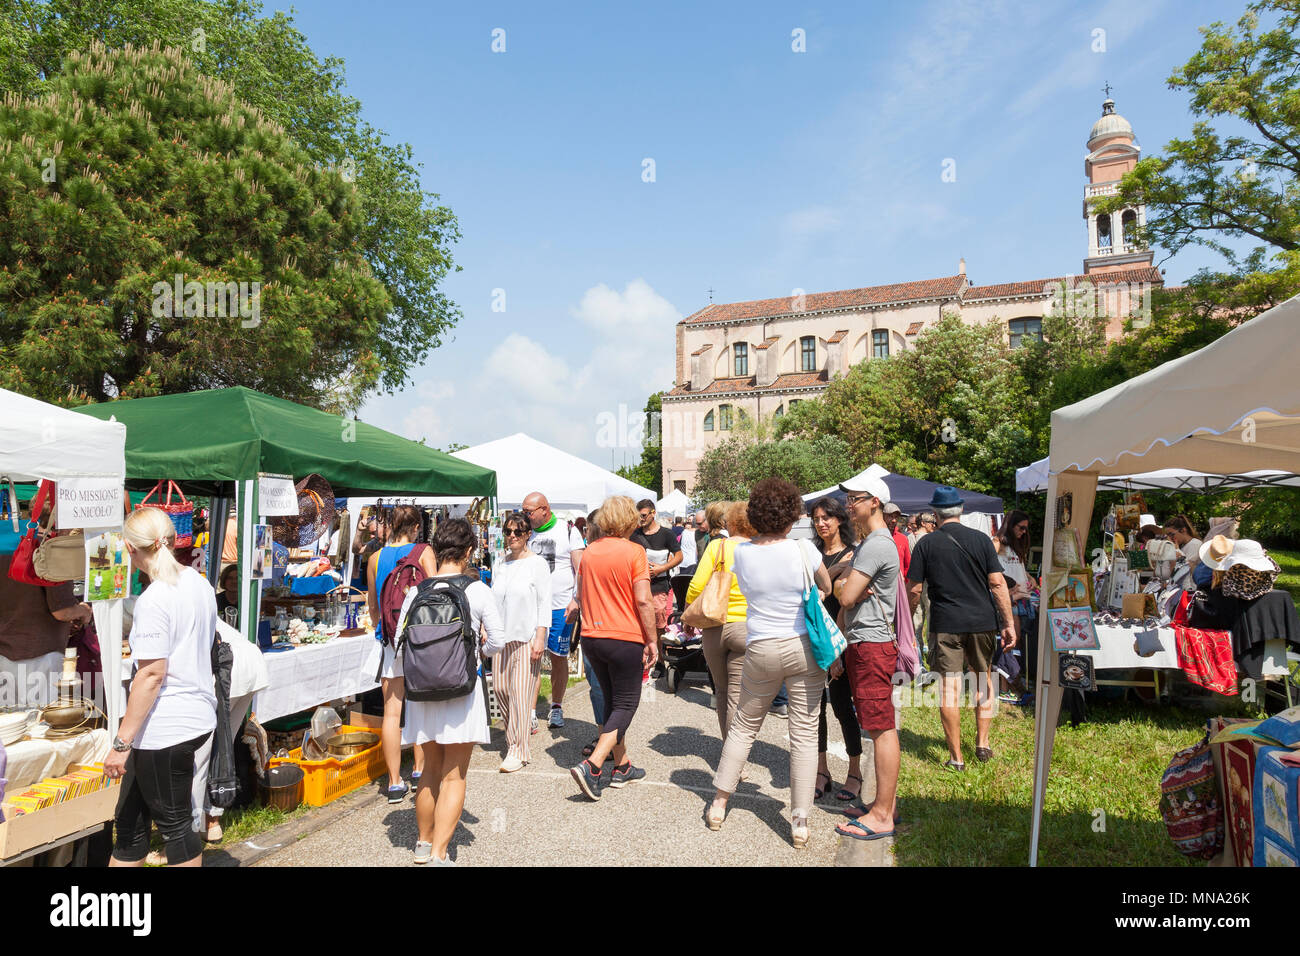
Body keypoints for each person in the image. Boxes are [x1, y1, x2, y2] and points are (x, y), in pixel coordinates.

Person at [706, 479, 831, 849]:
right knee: (805, 732)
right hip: (801, 645)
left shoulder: (742, 553)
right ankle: (800, 820)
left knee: (744, 725)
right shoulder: (804, 549)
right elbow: (825, 585)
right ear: (792, 514)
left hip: (760, 644)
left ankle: (718, 803)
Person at [106, 507, 217, 867]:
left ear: (129, 547)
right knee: (129, 825)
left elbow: (151, 675)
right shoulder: (198, 582)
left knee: (175, 826)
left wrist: (121, 743)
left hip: (167, 727)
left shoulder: (156, 598)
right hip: (187, 718)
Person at [406, 519, 506, 864]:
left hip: (421, 693)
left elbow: (398, 641)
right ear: (468, 552)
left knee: (429, 770)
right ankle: (440, 852)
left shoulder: (415, 592)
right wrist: (478, 650)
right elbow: (498, 641)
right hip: (462, 689)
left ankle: (422, 843)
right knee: (454, 774)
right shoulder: (477, 590)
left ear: (435, 549)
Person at [906, 486, 1015, 771]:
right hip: (981, 622)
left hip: (945, 625)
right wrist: (1009, 623)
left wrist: (904, 618)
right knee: (983, 681)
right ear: (961, 509)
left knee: (949, 691)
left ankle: (956, 758)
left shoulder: (925, 545)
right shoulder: (982, 541)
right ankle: (983, 743)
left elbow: (915, 589)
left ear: (935, 513)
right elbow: (997, 583)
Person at [568, 496, 658, 800]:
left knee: (611, 702)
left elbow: (581, 594)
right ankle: (593, 766)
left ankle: (622, 766)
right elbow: (643, 600)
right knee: (626, 704)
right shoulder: (635, 551)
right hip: (624, 636)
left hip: (593, 637)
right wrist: (652, 638)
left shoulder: (589, 553)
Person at [833, 472, 901, 841]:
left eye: (854, 499)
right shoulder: (870, 543)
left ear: (874, 501)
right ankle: (883, 804)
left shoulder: (875, 545)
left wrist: (846, 583)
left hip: (872, 645)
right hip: (865, 643)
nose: (849, 505)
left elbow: (842, 594)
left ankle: (882, 814)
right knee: (877, 726)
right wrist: (848, 583)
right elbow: (846, 590)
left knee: (880, 728)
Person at [367, 504, 436, 802]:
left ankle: (394, 781)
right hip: (417, 639)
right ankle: (420, 768)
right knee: (419, 705)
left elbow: (372, 606)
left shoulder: (374, 558)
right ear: (417, 526)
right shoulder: (423, 551)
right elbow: (435, 592)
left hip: (389, 640)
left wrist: (382, 628)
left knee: (391, 711)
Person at [806, 496, 862, 803]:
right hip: (814, 638)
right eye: (816, 519)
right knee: (816, 712)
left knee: (842, 708)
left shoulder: (853, 555)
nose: (821, 523)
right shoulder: (811, 554)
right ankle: (821, 771)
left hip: (839, 639)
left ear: (840, 519)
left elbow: (846, 604)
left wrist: (837, 652)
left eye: (827, 517)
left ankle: (855, 772)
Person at [490, 511, 550, 772]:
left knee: (520, 695)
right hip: (501, 637)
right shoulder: (501, 564)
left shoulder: (537, 564)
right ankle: (513, 738)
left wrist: (540, 636)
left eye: (517, 532)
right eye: (508, 531)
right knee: (502, 690)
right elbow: (494, 601)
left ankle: (518, 749)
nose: (512, 536)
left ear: (528, 535)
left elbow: (544, 602)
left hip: (526, 636)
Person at [686, 501, 751, 740]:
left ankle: (728, 747)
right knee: (738, 694)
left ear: (730, 522)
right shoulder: (759, 549)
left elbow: (695, 585)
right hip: (746, 625)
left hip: (714, 625)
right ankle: (735, 758)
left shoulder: (718, 548)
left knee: (722, 692)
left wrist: (689, 612)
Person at [521, 491, 585, 729]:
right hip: (532, 607)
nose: (525, 515)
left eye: (529, 511)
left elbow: (580, 569)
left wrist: (576, 600)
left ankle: (556, 706)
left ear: (544, 510)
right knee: (532, 657)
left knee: (558, 658)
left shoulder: (567, 530)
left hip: (560, 606)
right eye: (524, 511)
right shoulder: (525, 532)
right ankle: (530, 711)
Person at [0, 554, 92, 709]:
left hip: (6, 655)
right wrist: (84, 611)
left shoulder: (7, 545)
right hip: (42, 654)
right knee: (43, 724)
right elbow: (63, 611)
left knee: (13, 726)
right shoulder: (49, 551)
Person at [633, 498, 682, 676]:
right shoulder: (634, 535)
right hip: (637, 585)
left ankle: (661, 660)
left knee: (659, 625)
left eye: (644, 515)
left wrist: (662, 568)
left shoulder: (667, 535)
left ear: (653, 513)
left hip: (659, 585)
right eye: (639, 516)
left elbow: (679, 556)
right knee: (640, 624)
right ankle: (642, 660)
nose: (641, 519)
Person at [993, 509, 1034, 701]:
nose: (1024, 531)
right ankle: (1005, 688)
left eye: (1026, 528)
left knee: (1014, 644)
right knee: (1010, 643)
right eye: (1021, 527)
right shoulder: (997, 543)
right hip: (1008, 600)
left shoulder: (1015, 546)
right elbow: (992, 571)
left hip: (1021, 600)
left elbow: (1018, 569)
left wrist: (1030, 578)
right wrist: (1009, 589)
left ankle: (1008, 686)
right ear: (1010, 525)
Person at [883, 502, 911, 580]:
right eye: (890, 516)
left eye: (896, 517)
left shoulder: (903, 538)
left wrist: (905, 584)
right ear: (882, 517)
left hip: (899, 586)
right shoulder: (874, 537)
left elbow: (907, 565)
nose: (894, 520)